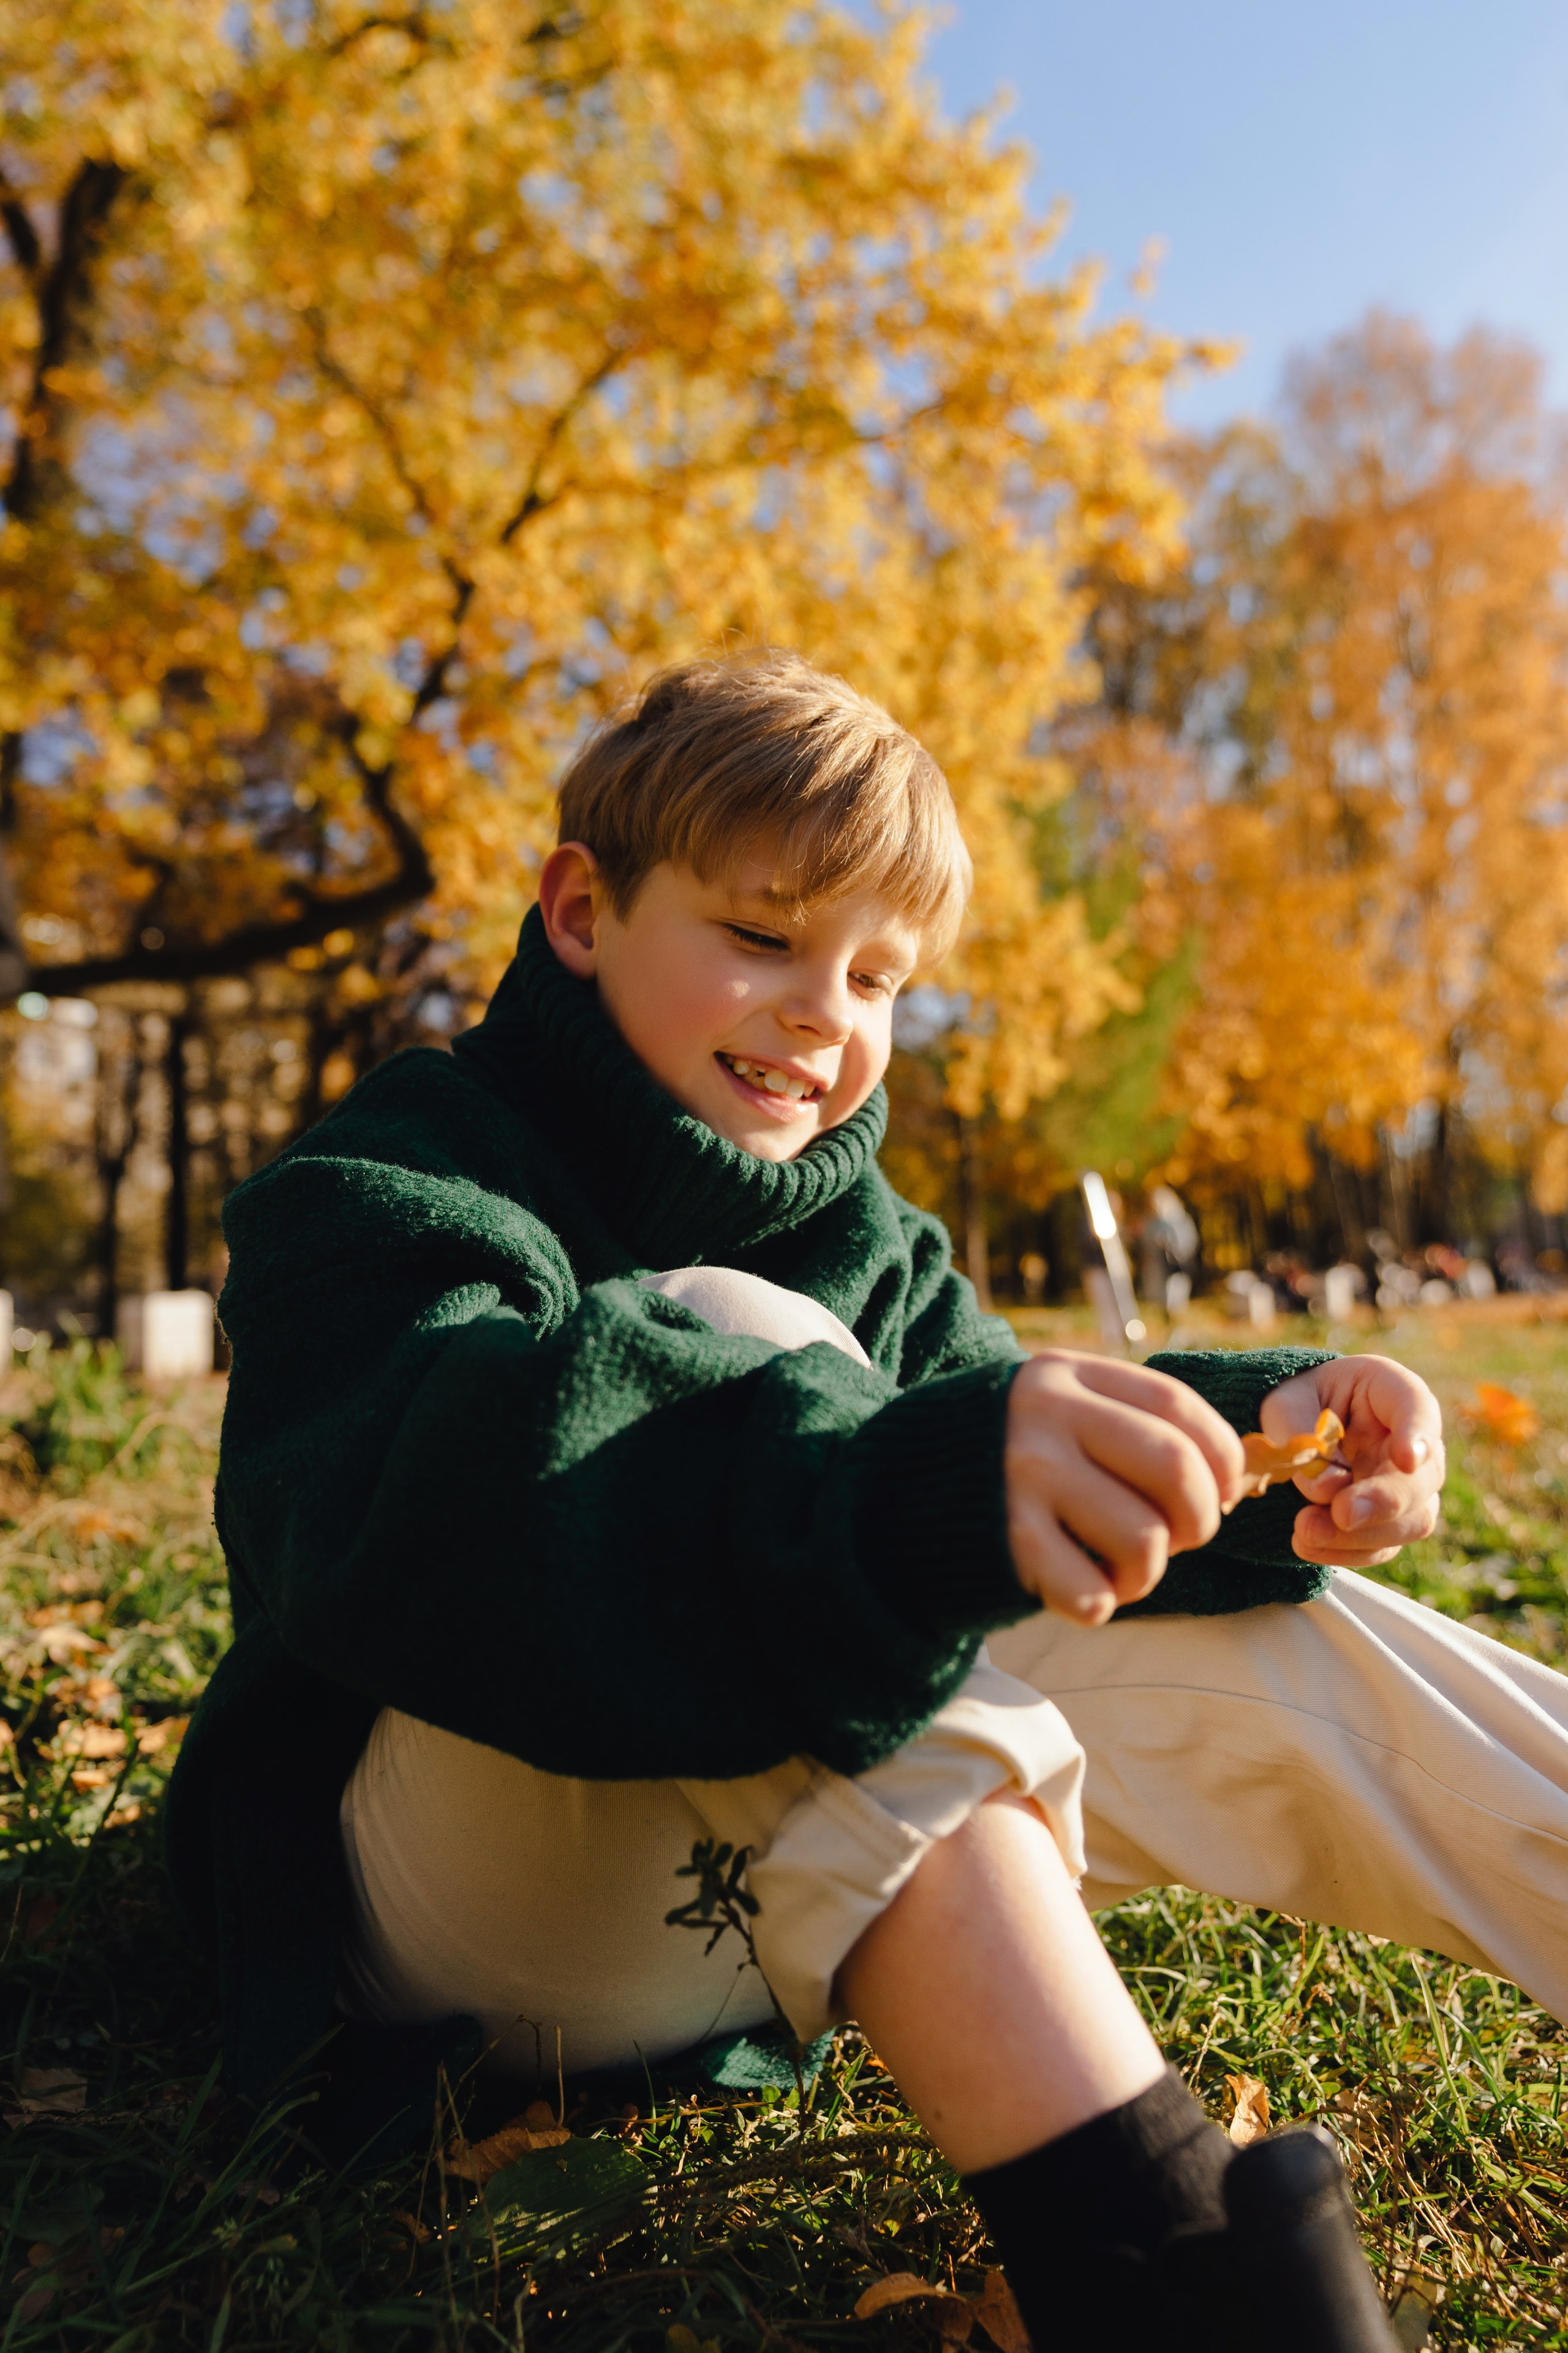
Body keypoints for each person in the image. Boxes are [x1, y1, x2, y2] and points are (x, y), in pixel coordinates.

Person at [170, 652, 1562, 2352]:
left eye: (880, 974)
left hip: (752, 1911)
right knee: (752, 1357)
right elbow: (421, 1519)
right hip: (446, 1929)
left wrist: (1256, 1443)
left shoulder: (868, 1238)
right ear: (583, 908)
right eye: (761, 938)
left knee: (1172, 1588)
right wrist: (898, 1480)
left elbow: (983, 1437)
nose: (826, 1010)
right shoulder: (398, 1173)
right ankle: (1162, 2260)